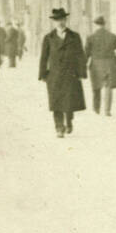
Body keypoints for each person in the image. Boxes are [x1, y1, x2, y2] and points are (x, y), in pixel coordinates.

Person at [38, 8, 87, 138]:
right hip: (54, 76)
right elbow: (44, 57)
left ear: (66, 20)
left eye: (62, 20)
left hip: (71, 75)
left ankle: (69, 120)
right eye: (57, 20)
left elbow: (80, 55)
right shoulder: (48, 38)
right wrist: (43, 74)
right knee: (56, 103)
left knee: (69, 102)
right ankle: (59, 128)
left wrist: (81, 72)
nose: (60, 22)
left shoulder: (74, 36)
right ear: (54, 22)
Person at [85, 16, 116, 117]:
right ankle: (107, 110)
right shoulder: (113, 37)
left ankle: (96, 109)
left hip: (95, 65)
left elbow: (86, 53)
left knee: (96, 87)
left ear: (95, 25)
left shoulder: (90, 38)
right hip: (110, 65)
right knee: (108, 87)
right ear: (104, 24)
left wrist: (84, 65)